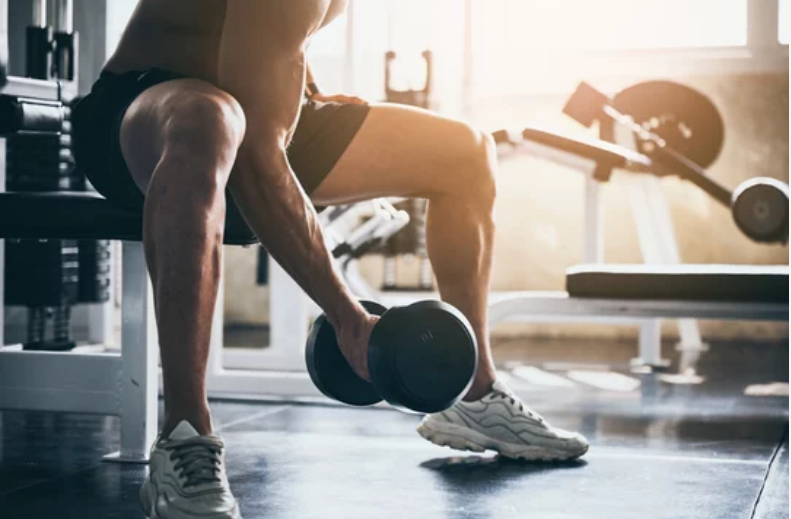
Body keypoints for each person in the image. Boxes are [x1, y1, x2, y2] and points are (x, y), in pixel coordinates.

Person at [72, 1, 589, 517]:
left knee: (466, 152)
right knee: (210, 118)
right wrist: (347, 316)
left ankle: (474, 393)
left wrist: (306, 92)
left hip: (242, 106)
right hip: (145, 106)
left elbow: (263, 39)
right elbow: (256, 158)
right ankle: (184, 436)